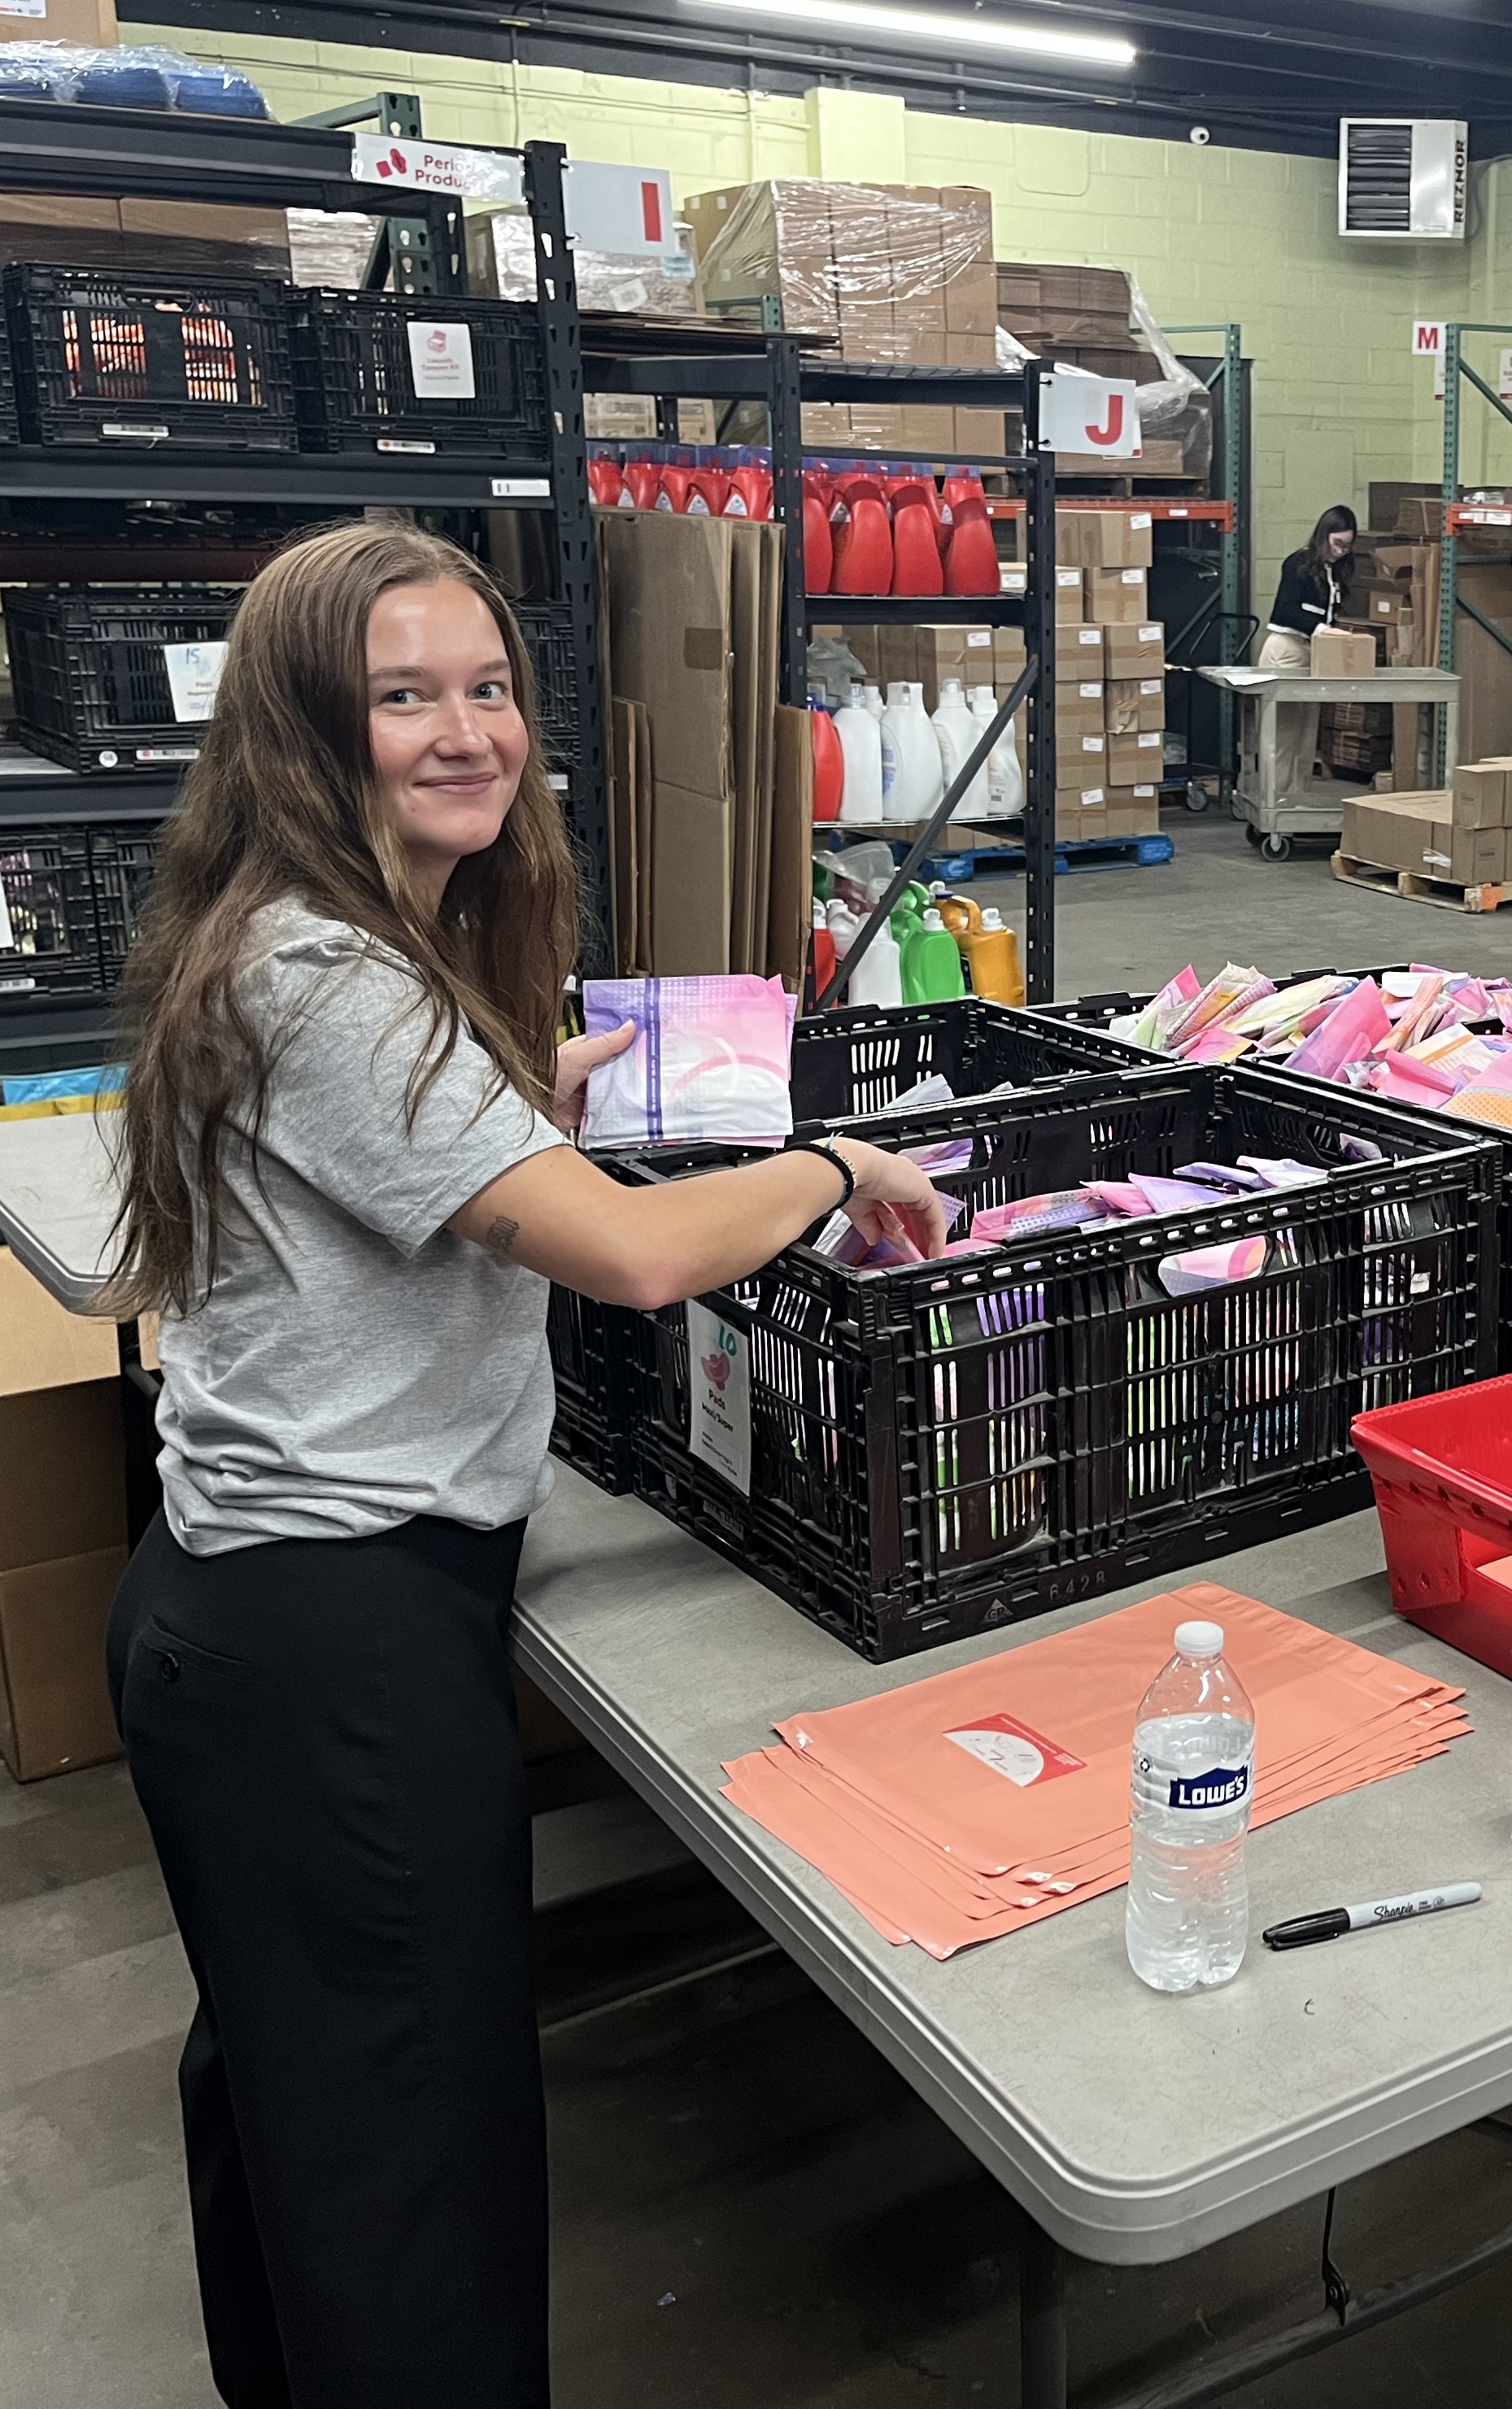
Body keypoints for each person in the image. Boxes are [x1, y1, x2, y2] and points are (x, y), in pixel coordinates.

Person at [102, 520, 945, 2405]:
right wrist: (835, 1170)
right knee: (417, 2173)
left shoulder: (331, 947)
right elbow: (638, 1259)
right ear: (308, 733)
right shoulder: (324, 983)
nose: (466, 731)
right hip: (326, 1644)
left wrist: (523, 1094)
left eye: (487, 688)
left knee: (304, 2113)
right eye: (403, 697)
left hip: (257, 1611)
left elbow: (406, 1146)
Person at [1251, 503, 1358, 801]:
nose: (1340, 551)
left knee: (1307, 735)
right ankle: (1274, 801)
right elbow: (1284, 611)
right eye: (1337, 544)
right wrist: (1324, 630)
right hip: (1287, 650)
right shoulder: (1297, 564)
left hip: (1315, 653)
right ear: (1323, 535)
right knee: (1283, 734)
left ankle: (1297, 800)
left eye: (1347, 547)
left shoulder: (1335, 572)